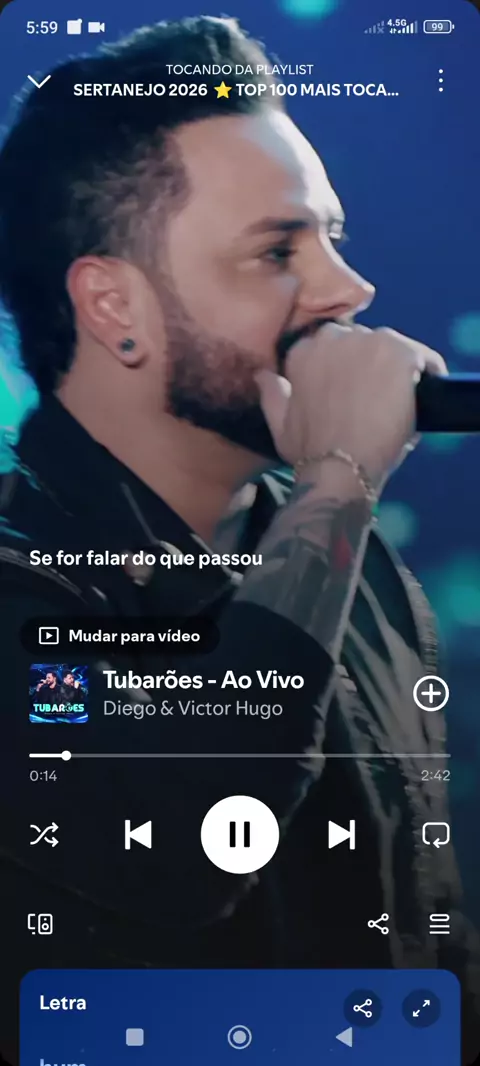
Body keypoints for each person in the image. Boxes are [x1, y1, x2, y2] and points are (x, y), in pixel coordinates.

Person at [0, 16, 478, 1064]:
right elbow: (185, 846)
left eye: (332, 238)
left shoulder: (355, 562)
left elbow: (418, 919)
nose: (348, 290)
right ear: (114, 307)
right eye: (277, 251)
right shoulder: (23, 576)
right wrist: (339, 479)